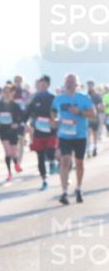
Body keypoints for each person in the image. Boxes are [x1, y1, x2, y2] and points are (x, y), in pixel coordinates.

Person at [51, 73, 96, 204]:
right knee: (65, 160)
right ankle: (64, 192)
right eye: (68, 81)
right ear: (65, 84)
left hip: (80, 135)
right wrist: (55, 120)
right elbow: (53, 111)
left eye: (72, 81)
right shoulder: (58, 99)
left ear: (77, 84)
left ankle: (79, 188)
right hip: (64, 135)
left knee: (79, 163)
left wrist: (79, 112)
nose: (70, 83)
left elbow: (93, 114)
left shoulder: (84, 98)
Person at [26, 75, 57, 190]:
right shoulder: (35, 99)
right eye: (40, 84)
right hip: (38, 132)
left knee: (50, 152)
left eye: (44, 84)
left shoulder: (53, 98)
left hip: (50, 131)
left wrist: (56, 121)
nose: (42, 86)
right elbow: (27, 112)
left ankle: (53, 162)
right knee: (40, 157)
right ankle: (44, 180)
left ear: (48, 85)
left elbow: (58, 112)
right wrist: (24, 124)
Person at [0, 84, 26, 181]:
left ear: (13, 93)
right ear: (2, 93)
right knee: (7, 152)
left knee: (13, 152)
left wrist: (17, 124)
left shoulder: (15, 106)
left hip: (13, 131)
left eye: (9, 92)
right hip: (3, 130)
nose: (7, 94)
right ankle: (9, 173)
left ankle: (16, 164)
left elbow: (22, 118)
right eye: (5, 92)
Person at [87, 80, 104, 157]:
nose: (89, 86)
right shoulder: (85, 95)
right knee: (88, 133)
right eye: (88, 85)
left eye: (91, 85)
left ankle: (95, 147)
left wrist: (96, 108)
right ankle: (88, 149)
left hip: (95, 117)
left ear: (93, 85)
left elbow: (101, 105)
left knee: (94, 133)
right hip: (87, 117)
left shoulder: (97, 95)